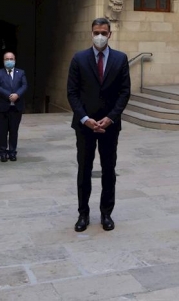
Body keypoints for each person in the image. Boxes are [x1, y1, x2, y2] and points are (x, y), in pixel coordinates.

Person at [67, 18, 131, 232]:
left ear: (110, 34)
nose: (100, 36)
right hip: (85, 125)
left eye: (103, 32)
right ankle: (83, 214)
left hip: (110, 125)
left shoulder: (120, 59)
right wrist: (85, 119)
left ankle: (106, 213)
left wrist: (111, 117)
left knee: (109, 170)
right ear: (91, 33)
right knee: (84, 170)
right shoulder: (79, 58)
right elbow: (72, 92)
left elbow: (124, 92)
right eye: (96, 32)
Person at [0, 52, 27, 162]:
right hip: (2, 106)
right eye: (7, 59)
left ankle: (12, 151)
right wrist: (8, 95)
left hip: (16, 107)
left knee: (14, 131)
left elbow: (24, 85)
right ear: (3, 60)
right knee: (2, 131)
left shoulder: (20, 73)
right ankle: (3, 152)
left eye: (11, 59)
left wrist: (17, 94)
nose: (9, 61)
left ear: (15, 60)